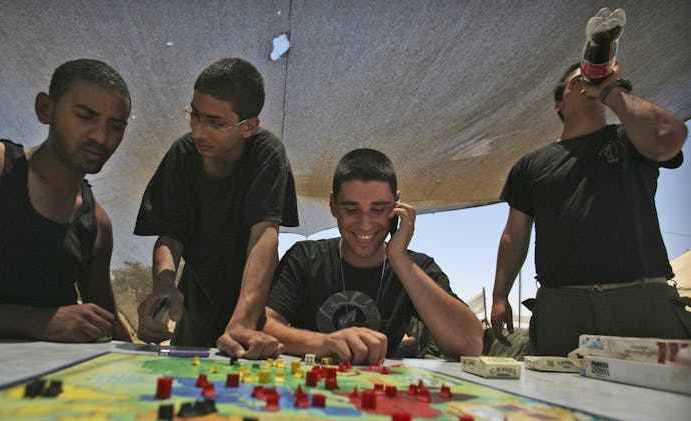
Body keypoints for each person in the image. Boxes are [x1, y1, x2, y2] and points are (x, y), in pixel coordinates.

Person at [491, 61, 690, 357]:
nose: (587, 84)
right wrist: (499, 296)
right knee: (556, 399)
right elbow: (514, 235)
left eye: (593, 79)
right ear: (559, 103)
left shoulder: (631, 138)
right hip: (563, 306)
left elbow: (668, 137)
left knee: (656, 400)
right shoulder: (530, 165)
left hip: (641, 299)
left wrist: (612, 90)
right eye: (576, 82)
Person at [0, 59, 132, 342]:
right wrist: (34, 321)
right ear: (46, 109)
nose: (101, 137)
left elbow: (106, 325)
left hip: (41, 384)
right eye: (85, 116)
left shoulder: (97, 224)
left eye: (116, 126)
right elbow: (46, 323)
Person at [238, 148, 483, 364]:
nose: (365, 224)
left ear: (397, 206)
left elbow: (470, 345)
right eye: (351, 209)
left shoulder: (417, 266)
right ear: (333, 205)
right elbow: (262, 325)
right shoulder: (305, 257)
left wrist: (398, 257)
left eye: (379, 209)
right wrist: (323, 343)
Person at [134, 58, 298, 358]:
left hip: (252, 300)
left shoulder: (267, 154)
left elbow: (264, 235)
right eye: (195, 116)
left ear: (248, 127)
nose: (199, 132)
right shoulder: (182, 155)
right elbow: (170, 235)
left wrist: (243, 322)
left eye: (215, 123)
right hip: (195, 301)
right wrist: (164, 284)